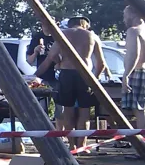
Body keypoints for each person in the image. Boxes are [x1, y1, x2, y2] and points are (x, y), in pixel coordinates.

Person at [35, 16, 108, 151]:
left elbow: (51, 56)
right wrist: (95, 80)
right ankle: (82, 145)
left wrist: (41, 72)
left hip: (67, 74)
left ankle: (72, 145)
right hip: (85, 75)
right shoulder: (92, 36)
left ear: (70, 25)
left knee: (67, 111)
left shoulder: (63, 35)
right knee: (84, 112)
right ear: (85, 24)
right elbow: (101, 64)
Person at [26, 25, 63, 128]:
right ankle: (44, 131)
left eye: (49, 23)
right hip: (42, 78)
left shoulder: (58, 37)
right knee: (42, 107)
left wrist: (54, 55)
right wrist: (35, 52)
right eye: (44, 23)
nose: (46, 26)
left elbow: (63, 59)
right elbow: (29, 61)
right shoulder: (37, 37)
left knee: (60, 107)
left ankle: (60, 133)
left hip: (58, 77)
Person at [121, 6, 145, 132]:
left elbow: (134, 55)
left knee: (139, 109)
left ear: (133, 14)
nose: (124, 18)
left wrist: (126, 75)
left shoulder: (133, 31)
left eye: (125, 14)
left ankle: (143, 143)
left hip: (138, 71)